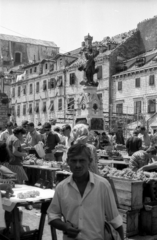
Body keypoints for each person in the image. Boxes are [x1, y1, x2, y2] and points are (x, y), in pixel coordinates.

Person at [47, 144, 124, 240]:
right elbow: (53, 215)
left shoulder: (103, 185)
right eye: (74, 161)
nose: (78, 165)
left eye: (82, 160)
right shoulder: (61, 188)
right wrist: (64, 226)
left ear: (90, 162)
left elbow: (115, 220)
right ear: (68, 162)